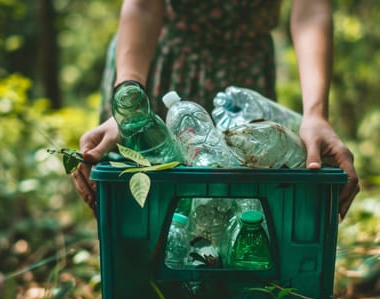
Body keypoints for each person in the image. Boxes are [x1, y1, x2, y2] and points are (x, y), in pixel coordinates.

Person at [72, 0, 359, 220]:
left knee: (241, 206)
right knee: (153, 208)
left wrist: (316, 113)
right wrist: (129, 108)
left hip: (244, 80)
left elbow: (311, 10)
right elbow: (143, 6)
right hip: (161, 64)